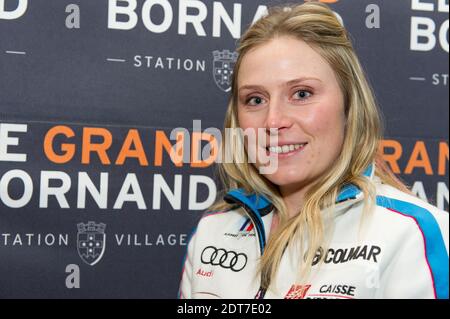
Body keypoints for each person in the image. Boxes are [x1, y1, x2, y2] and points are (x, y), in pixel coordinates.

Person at [178, 2, 449, 299]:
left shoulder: (412, 234)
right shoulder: (212, 233)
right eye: (255, 99)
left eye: (302, 94)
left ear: (349, 106)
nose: (273, 120)